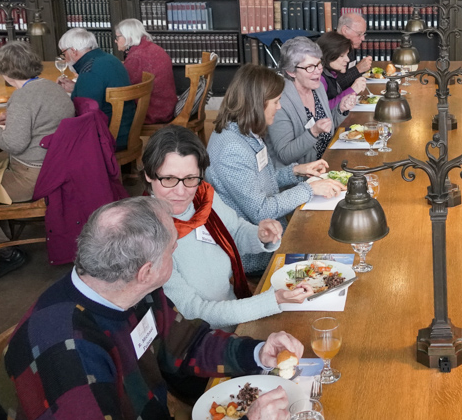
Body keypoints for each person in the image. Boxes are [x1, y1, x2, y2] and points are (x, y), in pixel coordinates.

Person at [0, 196, 302, 420]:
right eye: (172, 248)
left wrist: (254, 352)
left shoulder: (124, 288)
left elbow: (185, 343)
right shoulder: (66, 352)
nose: (177, 248)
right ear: (145, 271)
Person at [144, 125, 313, 330]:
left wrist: (260, 235)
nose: (181, 191)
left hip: (238, 311)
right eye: (169, 179)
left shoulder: (203, 198)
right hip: (204, 338)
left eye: (190, 178)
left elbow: (235, 231)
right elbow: (193, 312)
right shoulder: (146, 235)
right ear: (148, 175)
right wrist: (271, 301)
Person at [205, 64, 344, 273]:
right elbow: (261, 210)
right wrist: (310, 189)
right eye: (276, 102)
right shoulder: (232, 148)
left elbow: (263, 181)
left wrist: (297, 171)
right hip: (255, 250)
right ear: (257, 103)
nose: (279, 107)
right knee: (329, 242)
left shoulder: (245, 130)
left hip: (274, 231)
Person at [0, 41, 75, 277]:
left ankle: (6, 254)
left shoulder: (22, 98)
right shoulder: (52, 87)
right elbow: (39, 122)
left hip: (33, 176)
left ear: (4, 71)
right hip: (57, 169)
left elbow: (13, 144)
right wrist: (10, 120)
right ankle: (0, 240)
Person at [268, 36, 357, 167]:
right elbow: (285, 155)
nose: (318, 71)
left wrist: (340, 110)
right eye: (310, 67)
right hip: (299, 179)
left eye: (318, 64)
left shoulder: (317, 87)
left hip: (326, 162)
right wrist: (313, 132)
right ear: (291, 72)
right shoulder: (280, 101)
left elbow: (326, 127)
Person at [57, 27, 134, 149]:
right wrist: (76, 87)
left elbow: (84, 116)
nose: (65, 58)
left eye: (64, 53)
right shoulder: (111, 59)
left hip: (109, 137)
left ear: (73, 51)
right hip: (128, 129)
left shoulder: (89, 70)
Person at [116, 18, 177, 124]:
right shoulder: (153, 48)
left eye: (117, 37)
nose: (115, 41)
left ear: (128, 37)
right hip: (167, 105)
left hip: (152, 112)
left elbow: (124, 87)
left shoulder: (136, 57)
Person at [318, 31, 369, 109]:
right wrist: (352, 90)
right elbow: (323, 109)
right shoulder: (319, 79)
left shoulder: (332, 73)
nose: (347, 59)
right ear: (328, 55)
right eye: (342, 56)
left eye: (347, 54)